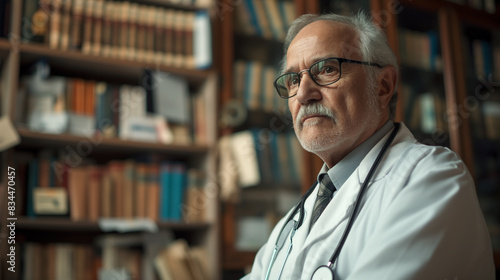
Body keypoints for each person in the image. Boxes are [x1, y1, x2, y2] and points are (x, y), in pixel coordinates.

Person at [241, 12, 495, 280]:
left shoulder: (433, 177)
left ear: (383, 86)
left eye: (327, 69)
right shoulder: (292, 222)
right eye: (294, 79)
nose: (303, 94)